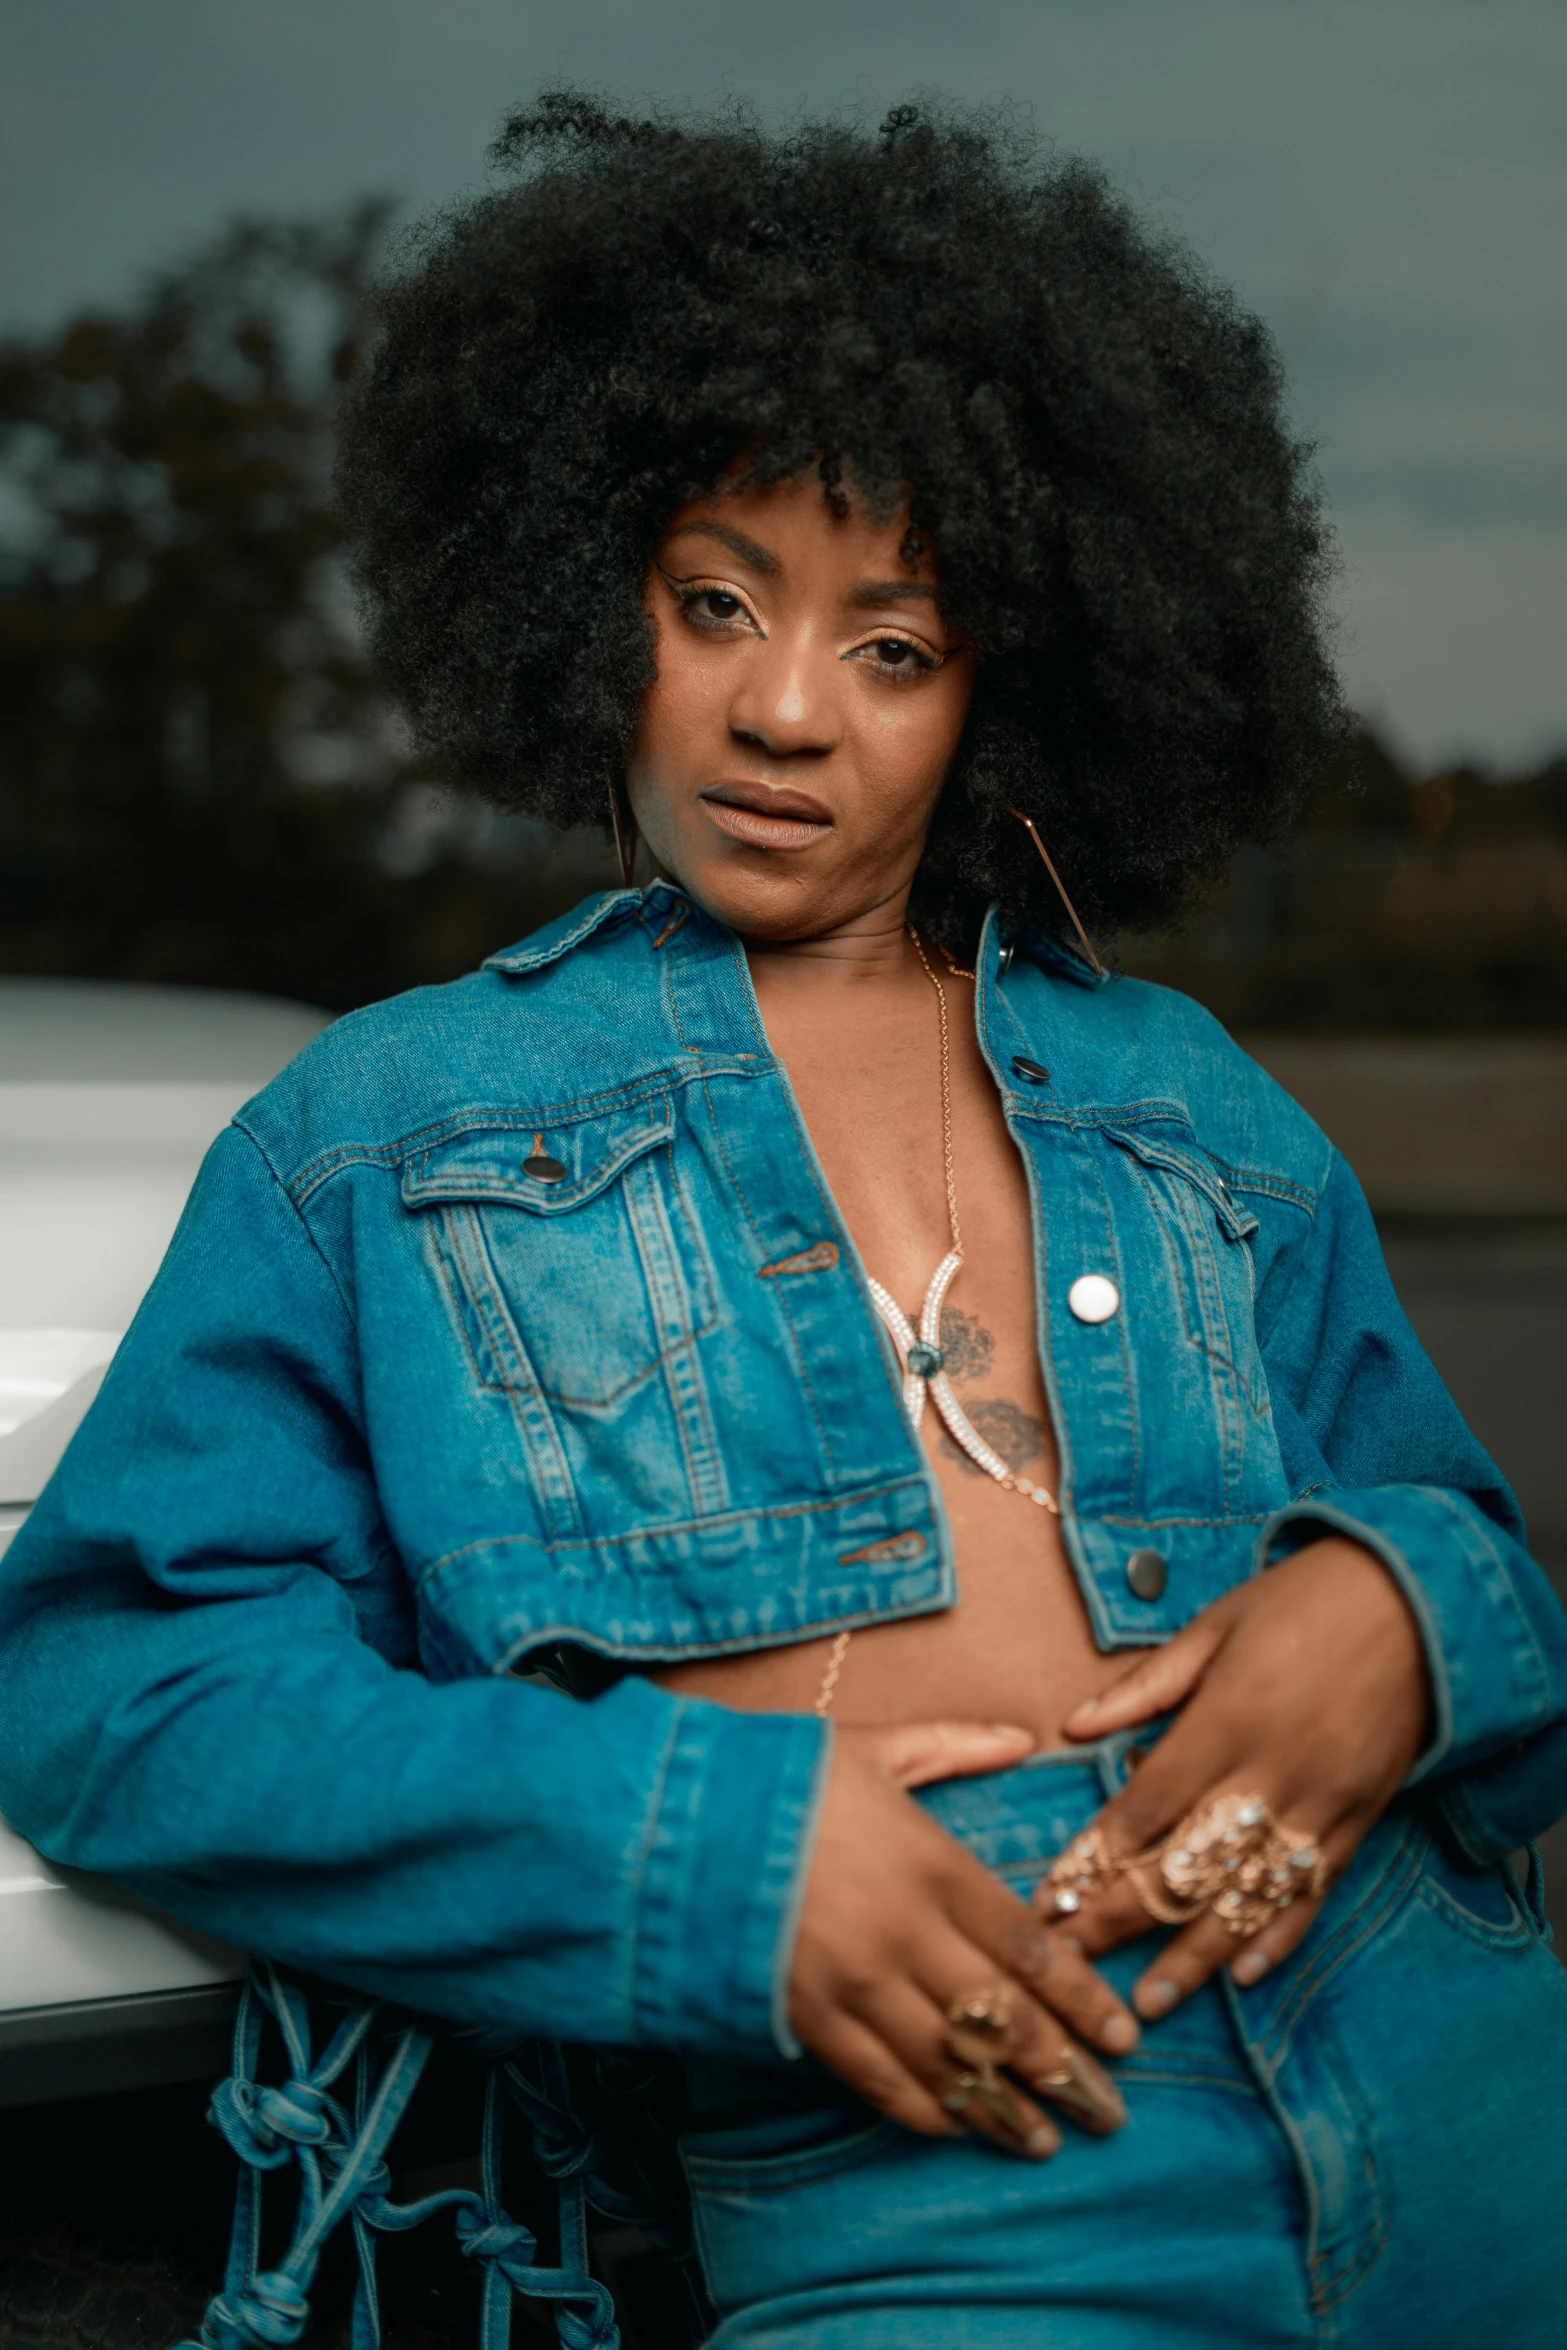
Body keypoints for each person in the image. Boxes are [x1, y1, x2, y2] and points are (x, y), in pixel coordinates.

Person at [2, 95, 1565, 2350]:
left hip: (1453, 2052)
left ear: (1001, 693)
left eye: (894, 643)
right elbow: (120, 1685)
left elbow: (1473, 1534)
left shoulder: (1196, 1097)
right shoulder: (377, 1133)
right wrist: (696, 1856)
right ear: (580, 599)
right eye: (713, 600)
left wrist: (1404, 1619)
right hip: (945, 2180)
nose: (781, 710)